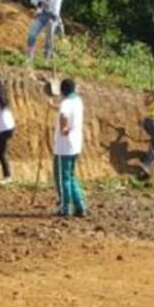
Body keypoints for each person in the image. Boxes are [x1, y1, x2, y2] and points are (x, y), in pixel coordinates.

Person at [53, 78, 87, 218]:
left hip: (64, 146)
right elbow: (65, 112)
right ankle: (79, 205)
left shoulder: (65, 103)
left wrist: (63, 128)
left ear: (62, 90)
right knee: (71, 176)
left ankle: (65, 208)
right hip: (75, 144)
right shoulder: (78, 101)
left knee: (63, 178)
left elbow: (63, 115)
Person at [26, 0, 63, 64]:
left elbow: (57, 7)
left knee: (49, 39)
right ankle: (29, 58)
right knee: (32, 35)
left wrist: (53, 18)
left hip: (52, 16)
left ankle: (46, 60)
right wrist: (40, 3)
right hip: (41, 14)